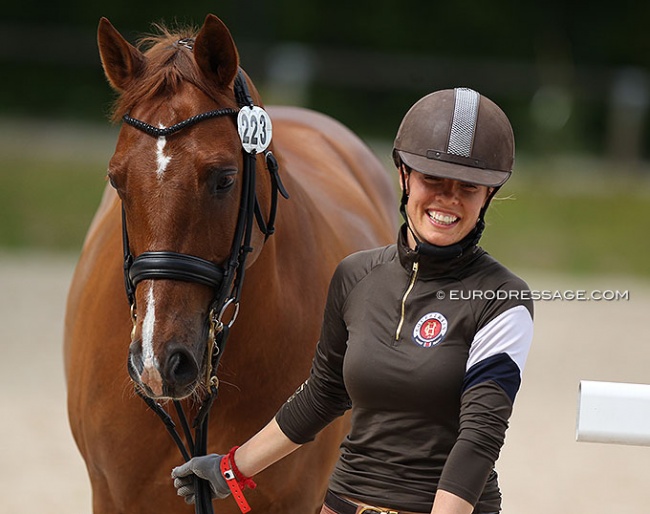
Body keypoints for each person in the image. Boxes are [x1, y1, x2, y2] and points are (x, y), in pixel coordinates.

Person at [172, 87, 534, 514]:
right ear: (404, 176)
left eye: (469, 187)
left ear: (488, 195)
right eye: (432, 178)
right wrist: (233, 467)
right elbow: (324, 393)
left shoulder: (502, 298)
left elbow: (480, 436)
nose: (448, 199)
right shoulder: (356, 275)